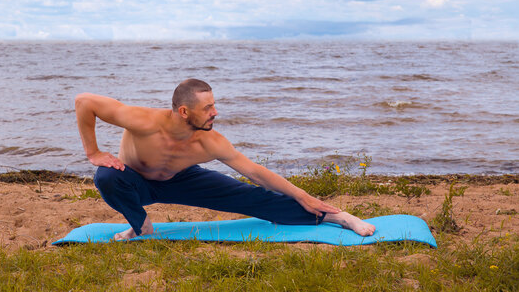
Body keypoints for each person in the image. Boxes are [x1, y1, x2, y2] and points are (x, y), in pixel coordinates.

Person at [75, 79, 375, 240]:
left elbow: (255, 172)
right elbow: (84, 102)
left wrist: (305, 196)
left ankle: (335, 218)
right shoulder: (142, 121)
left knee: (255, 197)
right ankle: (141, 226)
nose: (215, 113)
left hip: (182, 180)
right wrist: (93, 153)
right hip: (136, 182)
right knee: (106, 176)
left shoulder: (210, 141)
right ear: (184, 111)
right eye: (208, 108)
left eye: (214, 105)